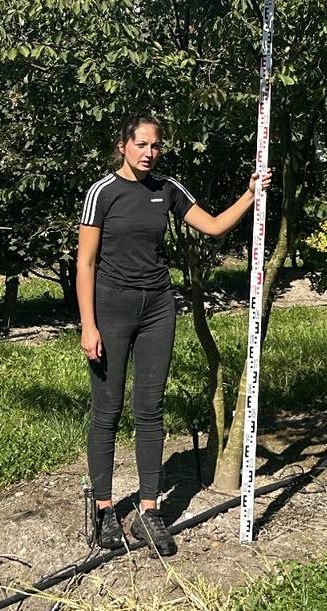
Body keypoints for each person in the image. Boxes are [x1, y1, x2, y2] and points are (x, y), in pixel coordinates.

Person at [77, 112, 271, 556]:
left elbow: (216, 225)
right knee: (106, 410)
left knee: (150, 409)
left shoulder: (167, 190)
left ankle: (149, 511)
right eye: (141, 145)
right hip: (111, 308)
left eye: (156, 146)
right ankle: (105, 511)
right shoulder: (101, 194)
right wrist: (89, 324)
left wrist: (250, 194)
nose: (150, 153)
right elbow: (84, 263)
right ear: (124, 146)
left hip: (158, 308)